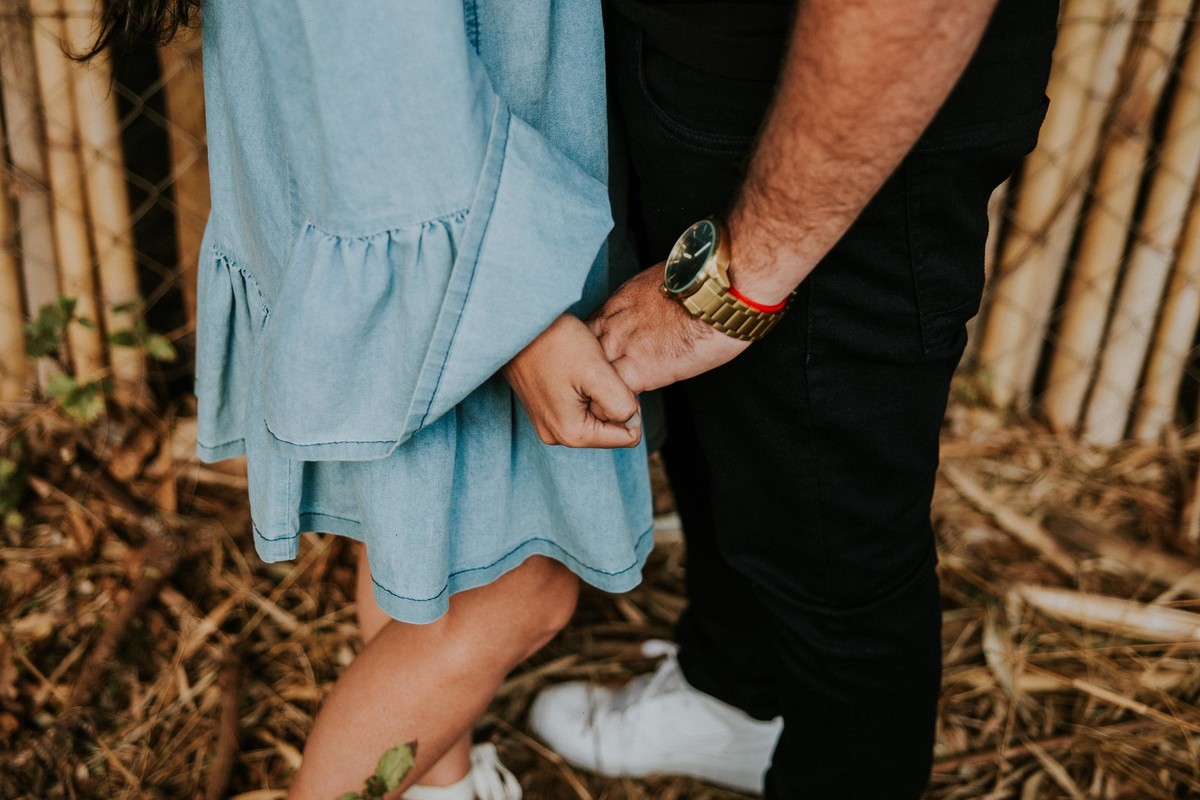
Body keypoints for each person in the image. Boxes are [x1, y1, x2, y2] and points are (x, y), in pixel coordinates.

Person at [89, 2, 654, 799]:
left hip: (375, 178)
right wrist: (512, 306)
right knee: (521, 592)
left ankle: (440, 788)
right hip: (431, 199)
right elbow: (386, 58)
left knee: (416, 536)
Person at [529, 0, 1059, 797]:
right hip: (697, 68)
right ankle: (736, 698)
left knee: (834, 551)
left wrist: (735, 282)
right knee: (728, 445)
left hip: (853, 123)